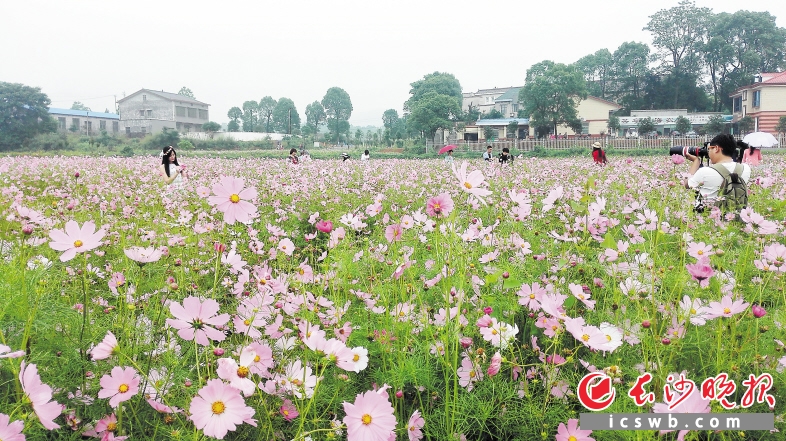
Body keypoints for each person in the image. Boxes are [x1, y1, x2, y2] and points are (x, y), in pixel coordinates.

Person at [683, 134, 751, 213]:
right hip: (735, 217)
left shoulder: (705, 172)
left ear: (716, 148)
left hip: (709, 219)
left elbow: (687, 184)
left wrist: (696, 161)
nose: (708, 153)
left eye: (709, 149)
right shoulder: (746, 169)